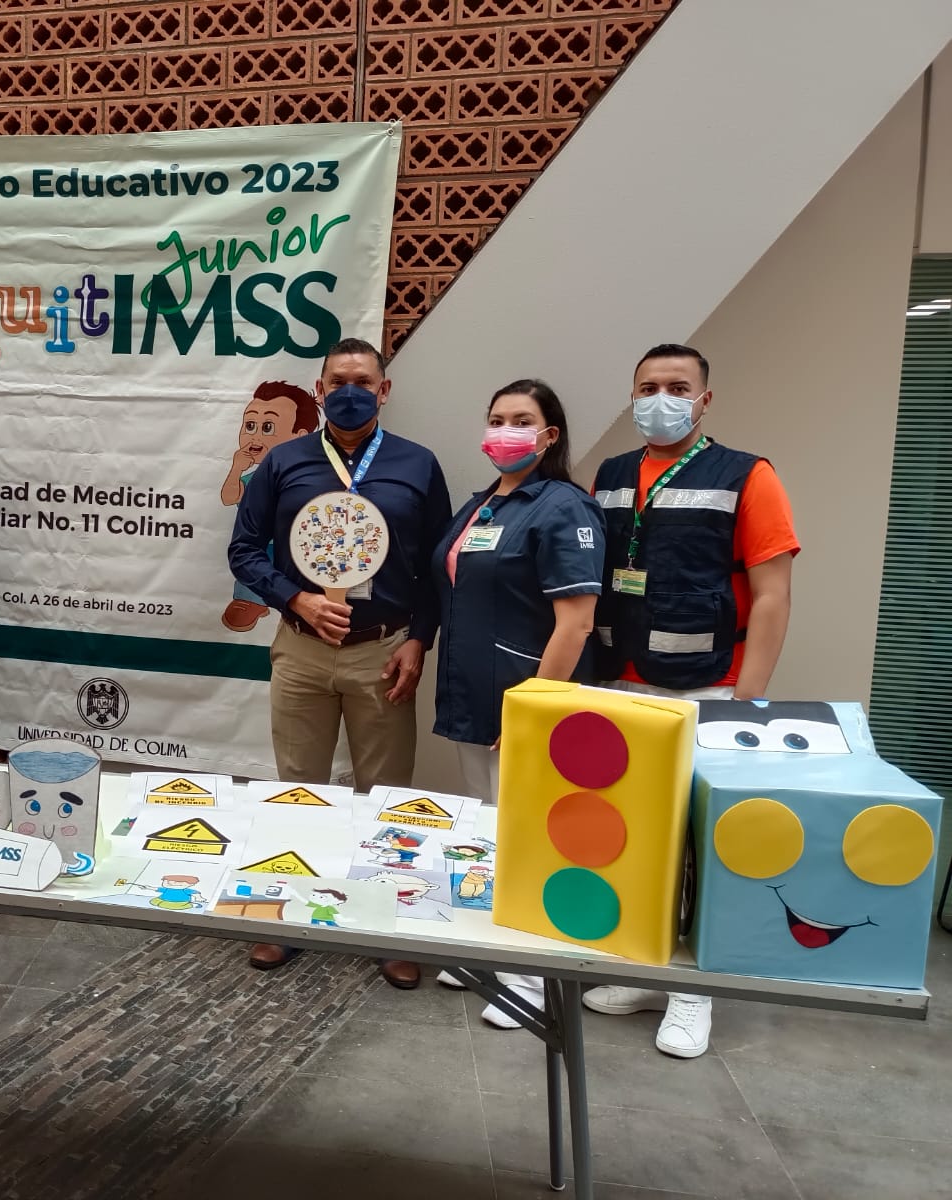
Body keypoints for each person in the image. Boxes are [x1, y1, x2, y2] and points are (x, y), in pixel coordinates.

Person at [581, 344, 799, 1059]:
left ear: (704, 399)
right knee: (637, 839)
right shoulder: (612, 475)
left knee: (702, 847)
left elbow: (772, 595)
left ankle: (693, 991)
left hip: (708, 688)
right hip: (621, 684)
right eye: (647, 386)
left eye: (678, 387)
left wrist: (748, 700)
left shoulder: (747, 475)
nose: (661, 399)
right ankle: (646, 969)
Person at [228, 337, 452, 989]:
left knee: (386, 796)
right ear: (319, 391)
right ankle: (286, 916)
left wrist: (419, 639)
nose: (350, 391)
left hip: (384, 649)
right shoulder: (284, 461)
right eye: (338, 381)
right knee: (297, 788)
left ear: (384, 391)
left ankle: (386, 923)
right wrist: (294, 597)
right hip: (302, 648)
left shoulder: (417, 464)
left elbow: (438, 565)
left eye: (363, 381)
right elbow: (244, 550)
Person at [428, 380, 605, 1029]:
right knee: (487, 829)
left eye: (521, 420)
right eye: (497, 418)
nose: (506, 430)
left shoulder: (563, 507)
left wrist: (532, 710)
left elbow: (576, 623)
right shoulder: (482, 504)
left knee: (531, 835)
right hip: (472, 695)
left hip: (525, 702)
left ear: (548, 435)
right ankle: (487, 949)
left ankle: (529, 975)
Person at [219, 381, 320, 632]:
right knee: (251, 559)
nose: (255, 435)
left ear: (300, 437)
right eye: (250, 425)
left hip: (298, 549)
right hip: (260, 545)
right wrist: (236, 469)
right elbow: (229, 497)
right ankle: (250, 601)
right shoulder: (251, 478)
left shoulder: (312, 478)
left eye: (268, 427)